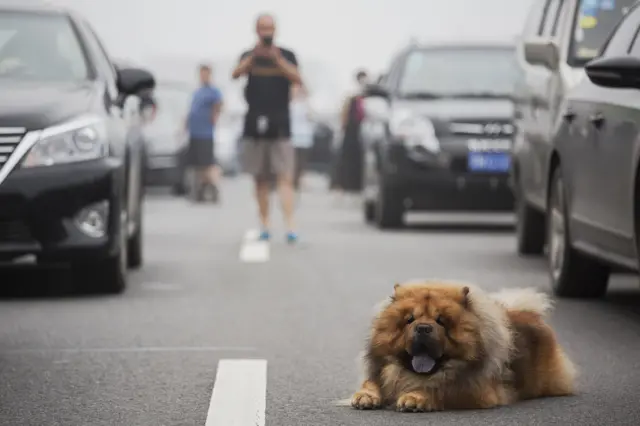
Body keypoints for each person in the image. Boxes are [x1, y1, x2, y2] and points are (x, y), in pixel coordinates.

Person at [232, 13, 302, 243]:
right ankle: (265, 224)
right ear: (256, 30)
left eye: (269, 28)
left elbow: (297, 78)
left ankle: (290, 226)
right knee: (260, 178)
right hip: (254, 123)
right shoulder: (249, 55)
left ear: (276, 30)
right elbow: (235, 74)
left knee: (284, 176)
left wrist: (277, 59)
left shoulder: (287, 54)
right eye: (262, 28)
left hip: (281, 123)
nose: (266, 33)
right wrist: (254, 57)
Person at [186, 63, 223, 203]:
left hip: (205, 133)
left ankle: (215, 187)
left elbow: (219, 104)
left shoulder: (213, 91)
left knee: (208, 163)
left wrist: (214, 115)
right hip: (194, 132)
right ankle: (200, 191)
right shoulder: (198, 91)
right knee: (197, 165)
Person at [334, 70, 368, 198]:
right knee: (347, 158)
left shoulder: (367, 95)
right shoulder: (351, 96)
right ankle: (345, 184)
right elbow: (344, 113)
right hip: (351, 131)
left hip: (362, 130)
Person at [290, 83, 315, 191]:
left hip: (304, 137)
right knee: (292, 160)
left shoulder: (306, 105)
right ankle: (292, 179)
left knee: (302, 160)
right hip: (293, 136)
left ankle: (299, 179)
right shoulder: (291, 104)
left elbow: (311, 117)